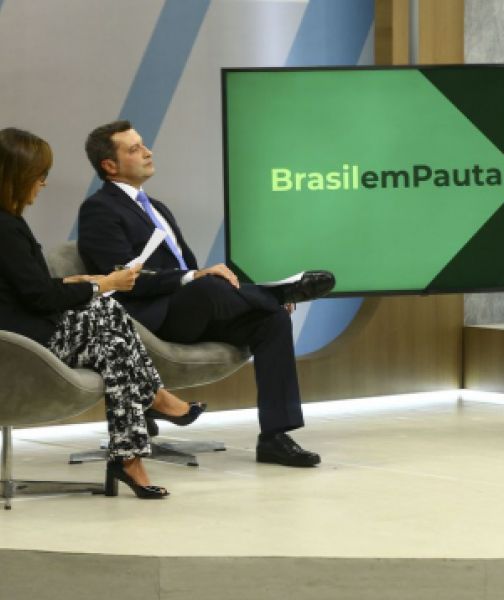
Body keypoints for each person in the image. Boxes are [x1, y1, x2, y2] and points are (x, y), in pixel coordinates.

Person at [78, 120, 334, 467]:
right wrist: (193, 278)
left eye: (144, 144)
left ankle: (275, 437)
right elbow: (121, 278)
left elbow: (188, 271)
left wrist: (196, 278)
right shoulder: (99, 209)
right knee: (209, 284)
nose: (148, 152)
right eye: (135, 149)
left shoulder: (157, 208)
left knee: (271, 320)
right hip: (147, 320)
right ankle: (273, 292)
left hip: (187, 312)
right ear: (110, 165)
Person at [0, 127, 204, 499]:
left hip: (29, 328)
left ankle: (132, 452)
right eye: (40, 175)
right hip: (19, 342)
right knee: (109, 320)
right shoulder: (5, 227)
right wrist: (103, 284)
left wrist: (78, 281)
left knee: (111, 337)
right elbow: (37, 298)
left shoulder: (10, 222)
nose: (43, 183)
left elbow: (26, 285)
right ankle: (150, 406)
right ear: (17, 175)